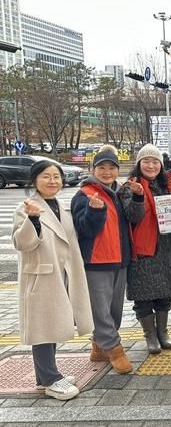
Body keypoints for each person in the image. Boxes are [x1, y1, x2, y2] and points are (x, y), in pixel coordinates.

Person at [13, 160, 93, 400]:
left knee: (53, 324)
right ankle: (50, 379)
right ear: (35, 180)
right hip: (41, 277)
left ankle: (45, 376)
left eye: (56, 177)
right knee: (43, 328)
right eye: (46, 176)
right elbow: (21, 243)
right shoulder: (25, 208)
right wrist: (33, 220)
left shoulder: (61, 206)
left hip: (62, 274)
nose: (52, 181)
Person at [71, 145, 133, 374]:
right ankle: (115, 350)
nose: (107, 172)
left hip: (120, 260)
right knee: (101, 311)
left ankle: (99, 347)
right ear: (92, 169)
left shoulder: (119, 192)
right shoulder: (84, 194)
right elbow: (84, 229)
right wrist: (95, 211)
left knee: (115, 309)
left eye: (112, 167)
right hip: (97, 262)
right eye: (102, 168)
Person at [118, 144, 171, 354]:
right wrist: (138, 196)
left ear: (161, 165)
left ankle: (162, 331)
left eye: (155, 162)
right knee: (143, 297)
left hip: (164, 248)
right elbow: (132, 216)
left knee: (164, 295)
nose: (151, 166)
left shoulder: (165, 186)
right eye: (146, 161)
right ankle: (150, 335)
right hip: (142, 250)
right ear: (139, 164)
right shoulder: (129, 186)